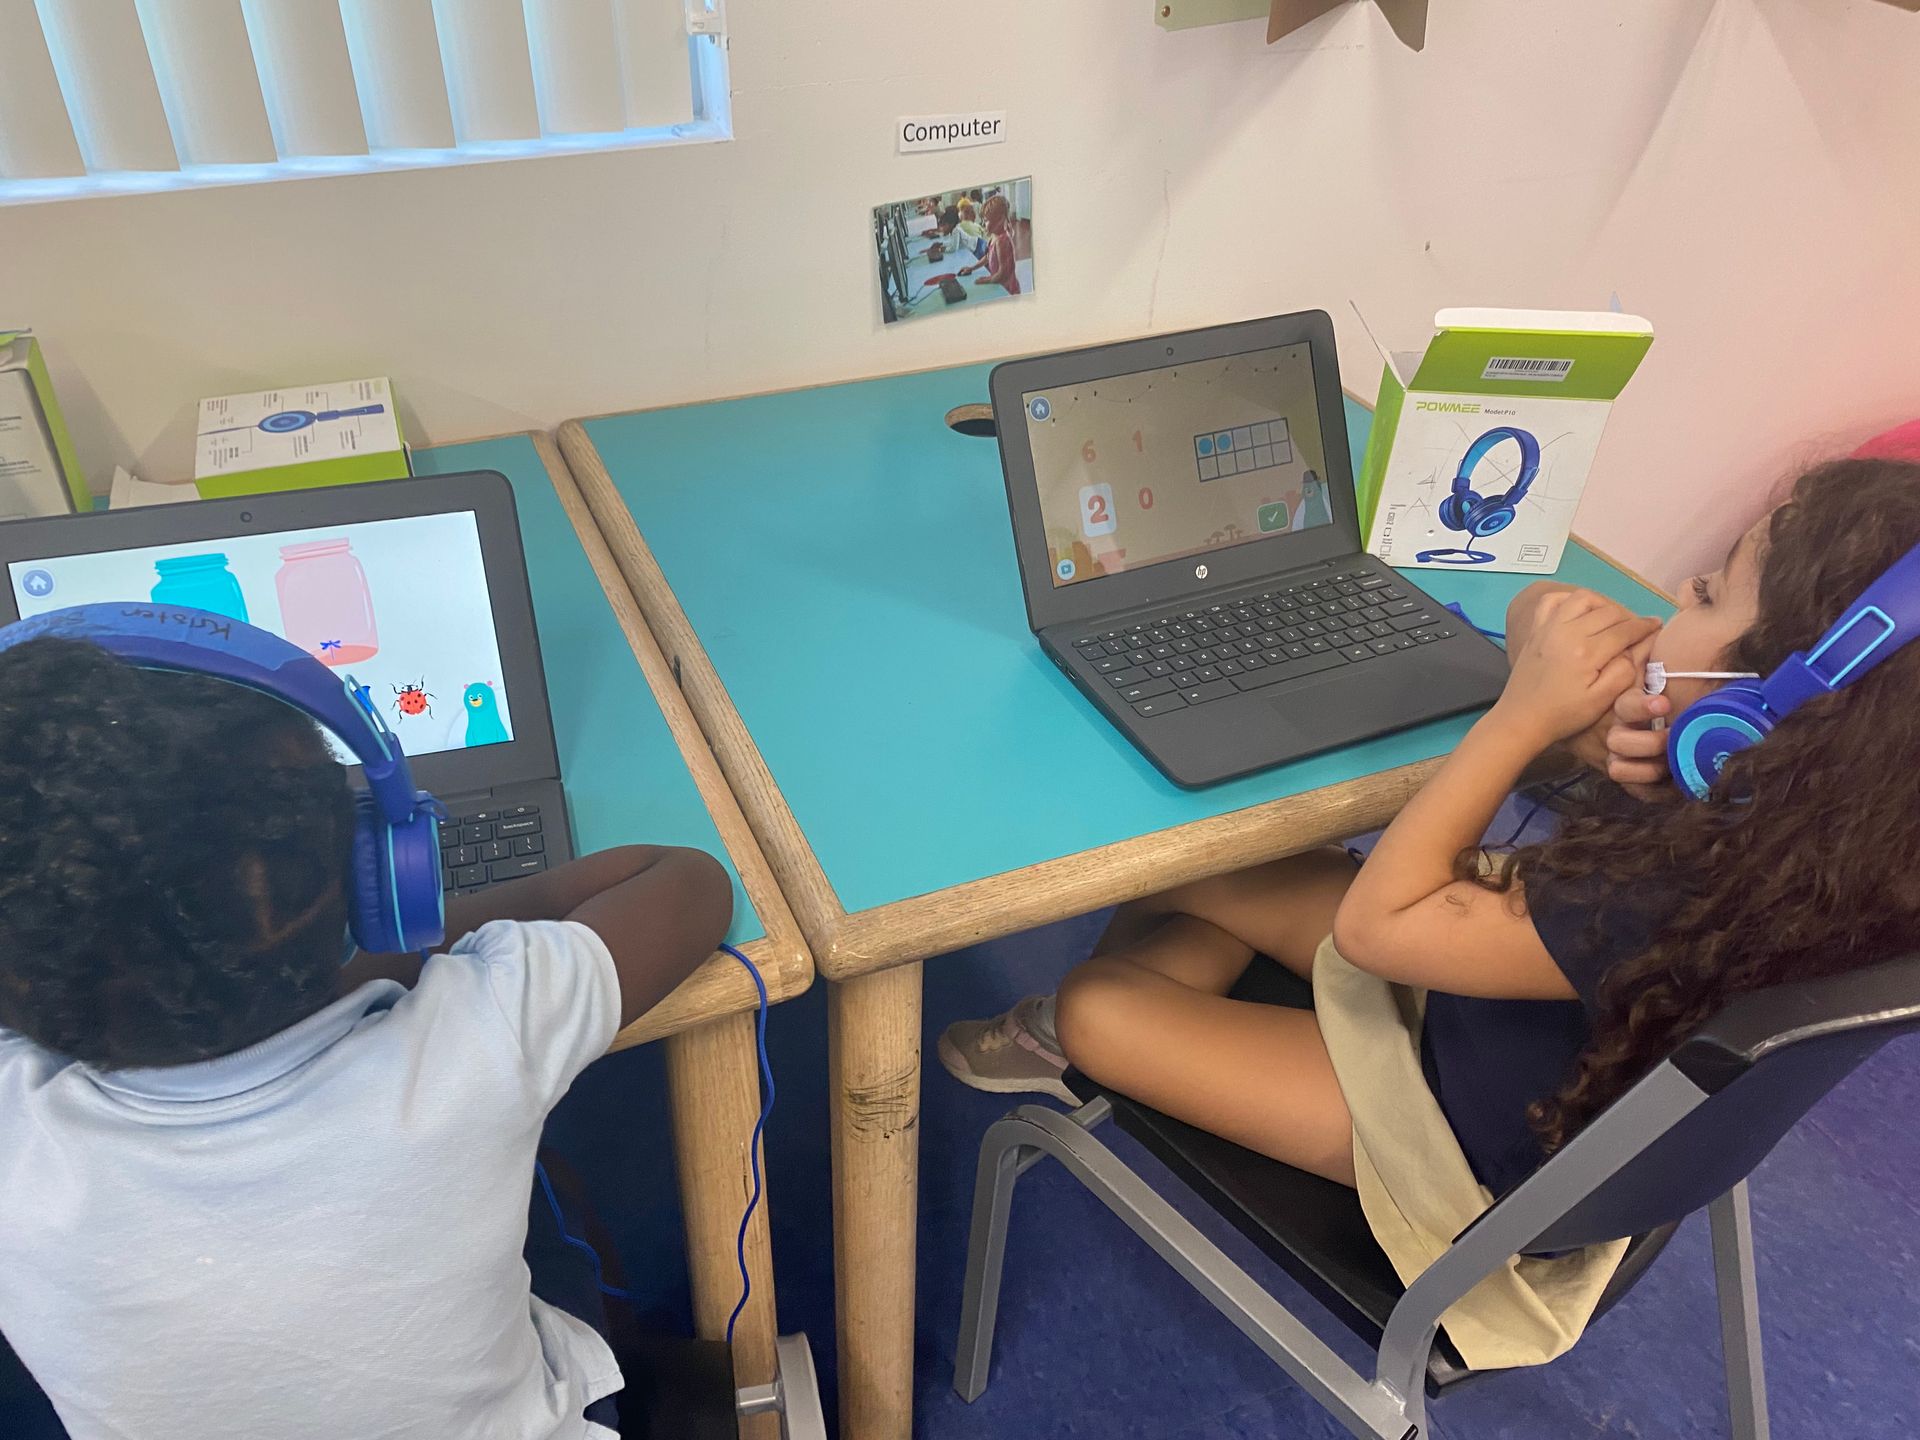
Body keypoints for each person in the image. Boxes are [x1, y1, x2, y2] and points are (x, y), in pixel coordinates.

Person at [940, 455, 1920, 1203]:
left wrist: (1525, 722)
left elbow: (1381, 924)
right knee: (1197, 862)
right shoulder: (1791, 817)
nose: (1674, 602)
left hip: (1450, 1138)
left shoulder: (1672, 899)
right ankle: (1209, 1004)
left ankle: (1102, 1029)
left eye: (1705, 595)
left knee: (1098, 1003)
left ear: (1777, 700)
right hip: (1485, 1002)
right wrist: (1580, 699)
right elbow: (1548, 607)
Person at [0, 635, 734, 1439]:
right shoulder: (475, 1042)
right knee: (551, 1201)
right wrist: (403, 935)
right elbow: (686, 881)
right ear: (381, 875)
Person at [958, 194, 1020, 294]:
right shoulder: (994, 236)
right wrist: (972, 268)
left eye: (986, 220)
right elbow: (988, 256)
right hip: (998, 284)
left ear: (999, 220)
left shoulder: (1002, 241)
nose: (983, 224)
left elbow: (1003, 273)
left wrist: (987, 280)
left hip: (1007, 290)